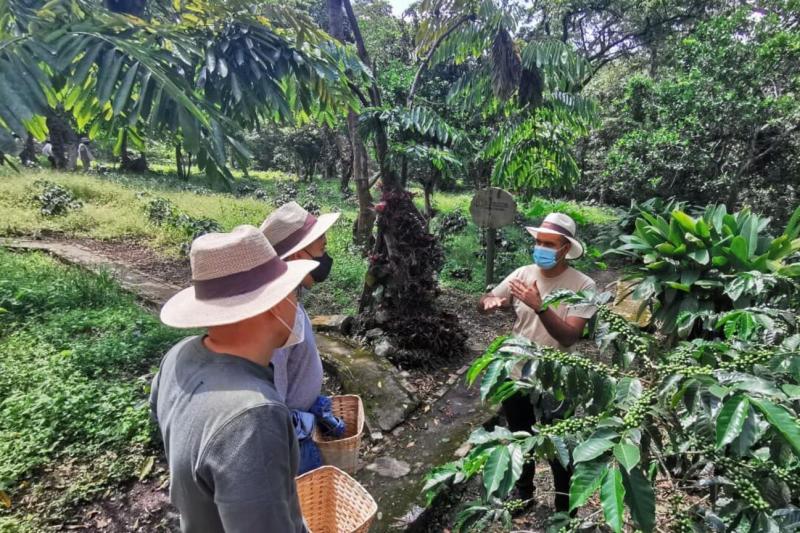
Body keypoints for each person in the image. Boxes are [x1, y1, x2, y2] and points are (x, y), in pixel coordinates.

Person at [150, 225, 317, 532]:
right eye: (293, 292)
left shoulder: (178, 355)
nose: (296, 303)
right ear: (275, 304)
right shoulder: (254, 418)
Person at [478, 212, 596, 512]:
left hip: (557, 379)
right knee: (521, 438)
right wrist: (491, 303)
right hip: (516, 372)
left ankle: (564, 508)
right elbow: (486, 300)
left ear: (565, 249)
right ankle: (525, 495)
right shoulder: (522, 274)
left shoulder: (583, 285)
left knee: (559, 446)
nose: (541, 248)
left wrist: (540, 307)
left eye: (549, 244)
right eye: (539, 241)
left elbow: (569, 336)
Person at [260, 202, 342, 473]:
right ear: (297, 256)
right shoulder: (279, 318)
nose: (325, 258)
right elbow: (274, 402)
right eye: (321, 249)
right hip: (294, 437)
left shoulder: (290, 298)